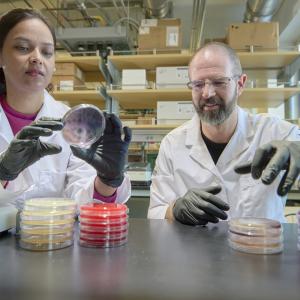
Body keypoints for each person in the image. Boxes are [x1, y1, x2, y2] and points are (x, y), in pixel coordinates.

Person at [148, 42, 300, 225]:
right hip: (195, 251)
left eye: (219, 82)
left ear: (240, 84)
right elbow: (156, 211)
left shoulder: (277, 132)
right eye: (197, 84)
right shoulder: (172, 144)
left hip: (261, 250)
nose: (207, 93)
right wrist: (175, 210)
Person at [0, 8, 132, 211]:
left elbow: (83, 200)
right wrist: (2, 173)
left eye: (47, 52)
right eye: (23, 47)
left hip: (55, 240)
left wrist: (107, 181)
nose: (37, 58)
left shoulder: (73, 123)